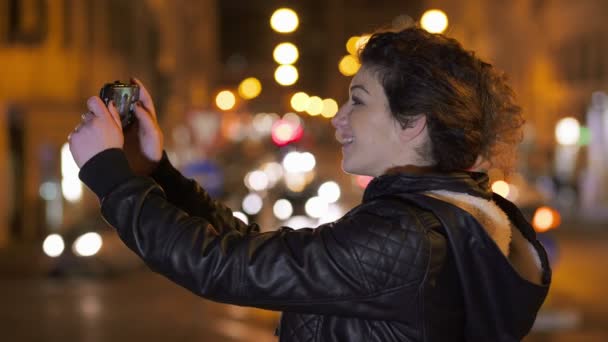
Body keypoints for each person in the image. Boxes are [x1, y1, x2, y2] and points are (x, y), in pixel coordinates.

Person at [68, 26, 551, 341]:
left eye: (358, 101)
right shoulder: (441, 219)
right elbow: (255, 251)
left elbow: (224, 266)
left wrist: (109, 174)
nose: (339, 119)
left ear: (413, 123)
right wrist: (156, 173)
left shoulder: (408, 235)